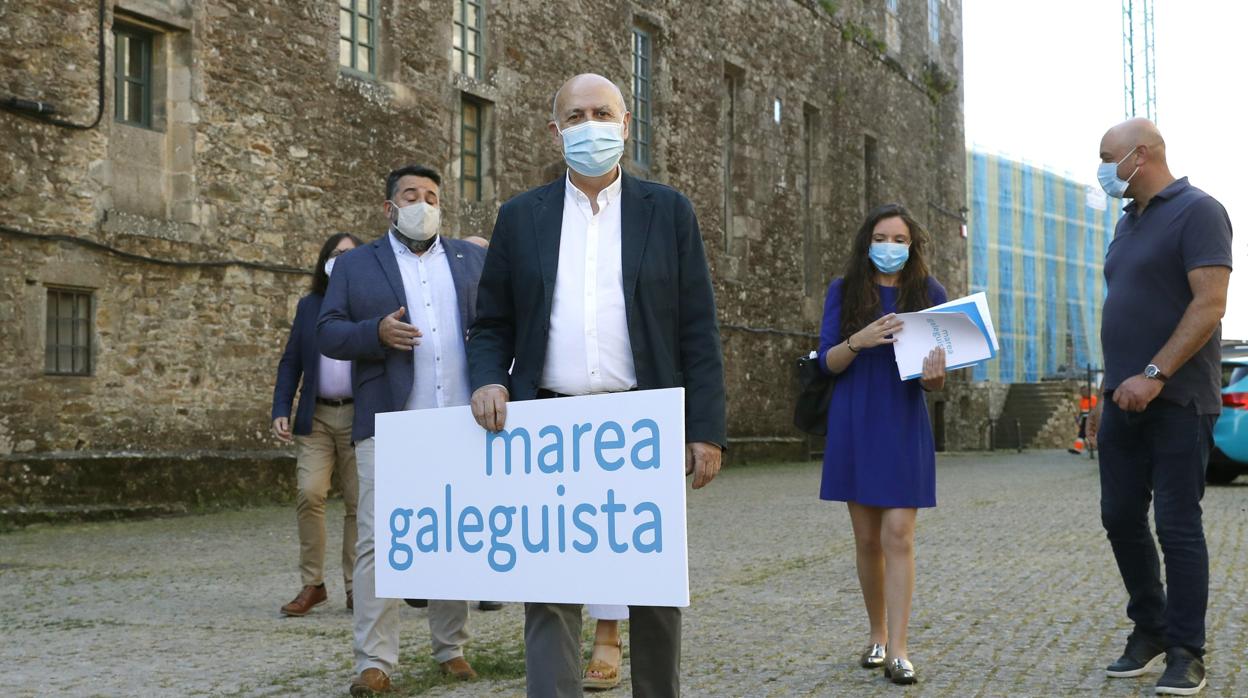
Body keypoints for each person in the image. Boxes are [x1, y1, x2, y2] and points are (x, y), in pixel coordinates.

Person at [466, 73, 726, 698]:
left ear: (626, 123)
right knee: (550, 587)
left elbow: (698, 327)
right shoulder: (520, 217)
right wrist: (485, 382)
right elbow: (492, 322)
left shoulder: (668, 212)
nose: (590, 125)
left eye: (602, 112)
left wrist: (706, 431)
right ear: (555, 132)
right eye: (576, 116)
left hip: (642, 422)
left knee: (652, 585)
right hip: (548, 422)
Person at [318, 164, 487, 696]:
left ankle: (451, 646)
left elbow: (493, 327)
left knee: (454, 533)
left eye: (432, 195)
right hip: (390, 423)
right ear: (389, 207)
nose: (422, 202)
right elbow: (328, 331)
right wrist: (376, 332)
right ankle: (374, 660)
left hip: (460, 420)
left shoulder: (471, 259)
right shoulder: (356, 265)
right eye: (411, 194)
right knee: (377, 540)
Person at [1086, 118, 1232, 696]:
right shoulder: (1127, 223)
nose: (1100, 168)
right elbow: (1123, 311)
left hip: (1177, 399)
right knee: (1119, 516)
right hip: (1120, 401)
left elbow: (1210, 303)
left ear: (1139, 155)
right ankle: (1148, 629)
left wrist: (1154, 373)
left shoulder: (1199, 211)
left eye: (1105, 156)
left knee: (1177, 525)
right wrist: (1104, 393)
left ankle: (1186, 650)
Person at [817, 203, 947, 686]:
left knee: (899, 536)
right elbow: (827, 361)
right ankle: (876, 632)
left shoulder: (929, 293)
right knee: (868, 539)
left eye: (899, 239)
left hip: (902, 419)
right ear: (865, 242)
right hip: (854, 418)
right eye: (881, 237)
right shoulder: (844, 290)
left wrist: (936, 377)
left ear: (911, 246)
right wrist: (862, 339)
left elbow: (935, 382)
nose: (889, 247)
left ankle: (899, 648)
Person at [271, 232, 364, 617]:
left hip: (361, 416)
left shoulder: (369, 303)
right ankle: (313, 584)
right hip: (317, 417)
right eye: (335, 253)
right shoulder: (310, 306)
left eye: (350, 254)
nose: (341, 259)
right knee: (309, 494)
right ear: (324, 260)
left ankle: (358, 587)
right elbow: (291, 359)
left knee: (360, 505)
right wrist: (281, 407)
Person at [1068, 385, 1098, 455]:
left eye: (1083, 392)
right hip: (1085, 418)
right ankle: (1079, 449)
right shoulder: (1082, 400)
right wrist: (1079, 418)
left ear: (1088, 391)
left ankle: (1081, 449)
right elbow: (1082, 411)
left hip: (1091, 419)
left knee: (1085, 433)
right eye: (1081, 392)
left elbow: (1094, 409)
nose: (1082, 393)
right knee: (1082, 434)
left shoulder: (1093, 399)